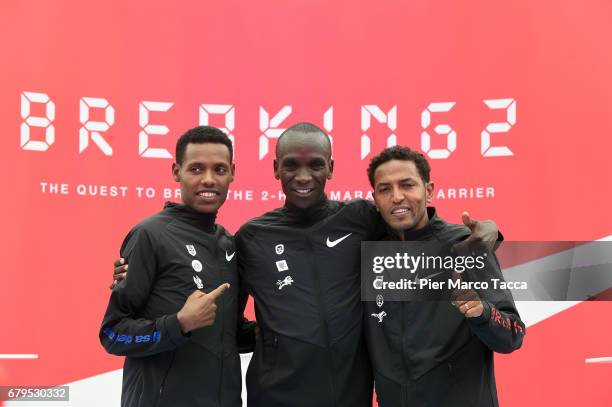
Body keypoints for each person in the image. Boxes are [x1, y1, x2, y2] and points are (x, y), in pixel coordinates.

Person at [112, 122, 500, 406]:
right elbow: (225, 321)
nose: (303, 176)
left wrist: (490, 235)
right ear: (275, 168)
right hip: (274, 398)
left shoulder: (363, 219)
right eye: (291, 166)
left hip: (352, 396)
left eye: (315, 164)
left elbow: (417, 227)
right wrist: (275, 338)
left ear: (331, 167)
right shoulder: (248, 237)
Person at [364, 145, 525, 407]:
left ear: (428, 190)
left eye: (407, 185)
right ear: (374, 197)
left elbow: (513, 335)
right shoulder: (369, 253)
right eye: (385, 189)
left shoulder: (466, 246)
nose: (396, 197)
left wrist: (481, 312)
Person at [100, 126, 249, 407]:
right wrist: (179, 324)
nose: (208, 180)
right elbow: (112, 334)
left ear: (232, 173)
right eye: (196, 169)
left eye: (218, 169)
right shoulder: (150, 235)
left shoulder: (230, 243)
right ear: (176, 172)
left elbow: (226, 335)